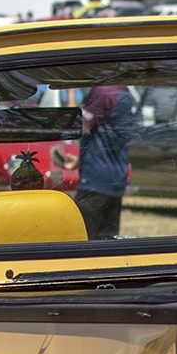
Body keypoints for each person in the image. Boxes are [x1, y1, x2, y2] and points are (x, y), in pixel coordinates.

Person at [75, 84, 138, 239]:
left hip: (96, 179)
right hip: (115, 177)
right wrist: (78, 160)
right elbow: (109, 136)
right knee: (108, 243)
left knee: (82, 240)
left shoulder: (103, 90)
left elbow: (81, 125)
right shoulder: (124, 92)